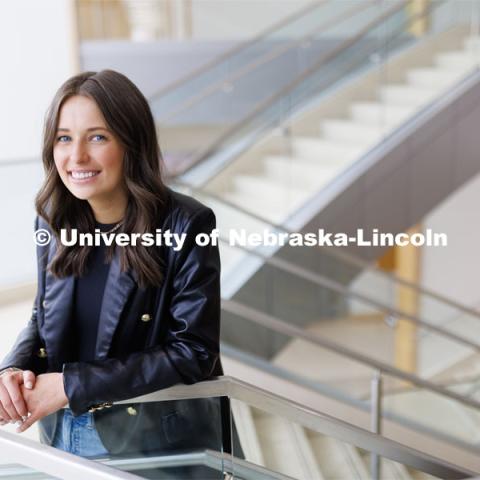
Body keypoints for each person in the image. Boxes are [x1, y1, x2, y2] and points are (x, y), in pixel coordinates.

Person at [0, 70, 233, 473]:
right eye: (64, 138)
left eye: (98, 137)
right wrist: (13, 368)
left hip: (152, 441)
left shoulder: (185, 224)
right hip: (60, 431)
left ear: (131, 142)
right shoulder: (53, 221)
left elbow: (193, 351)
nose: (76, 158)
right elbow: (43, 314)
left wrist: (71, 385)